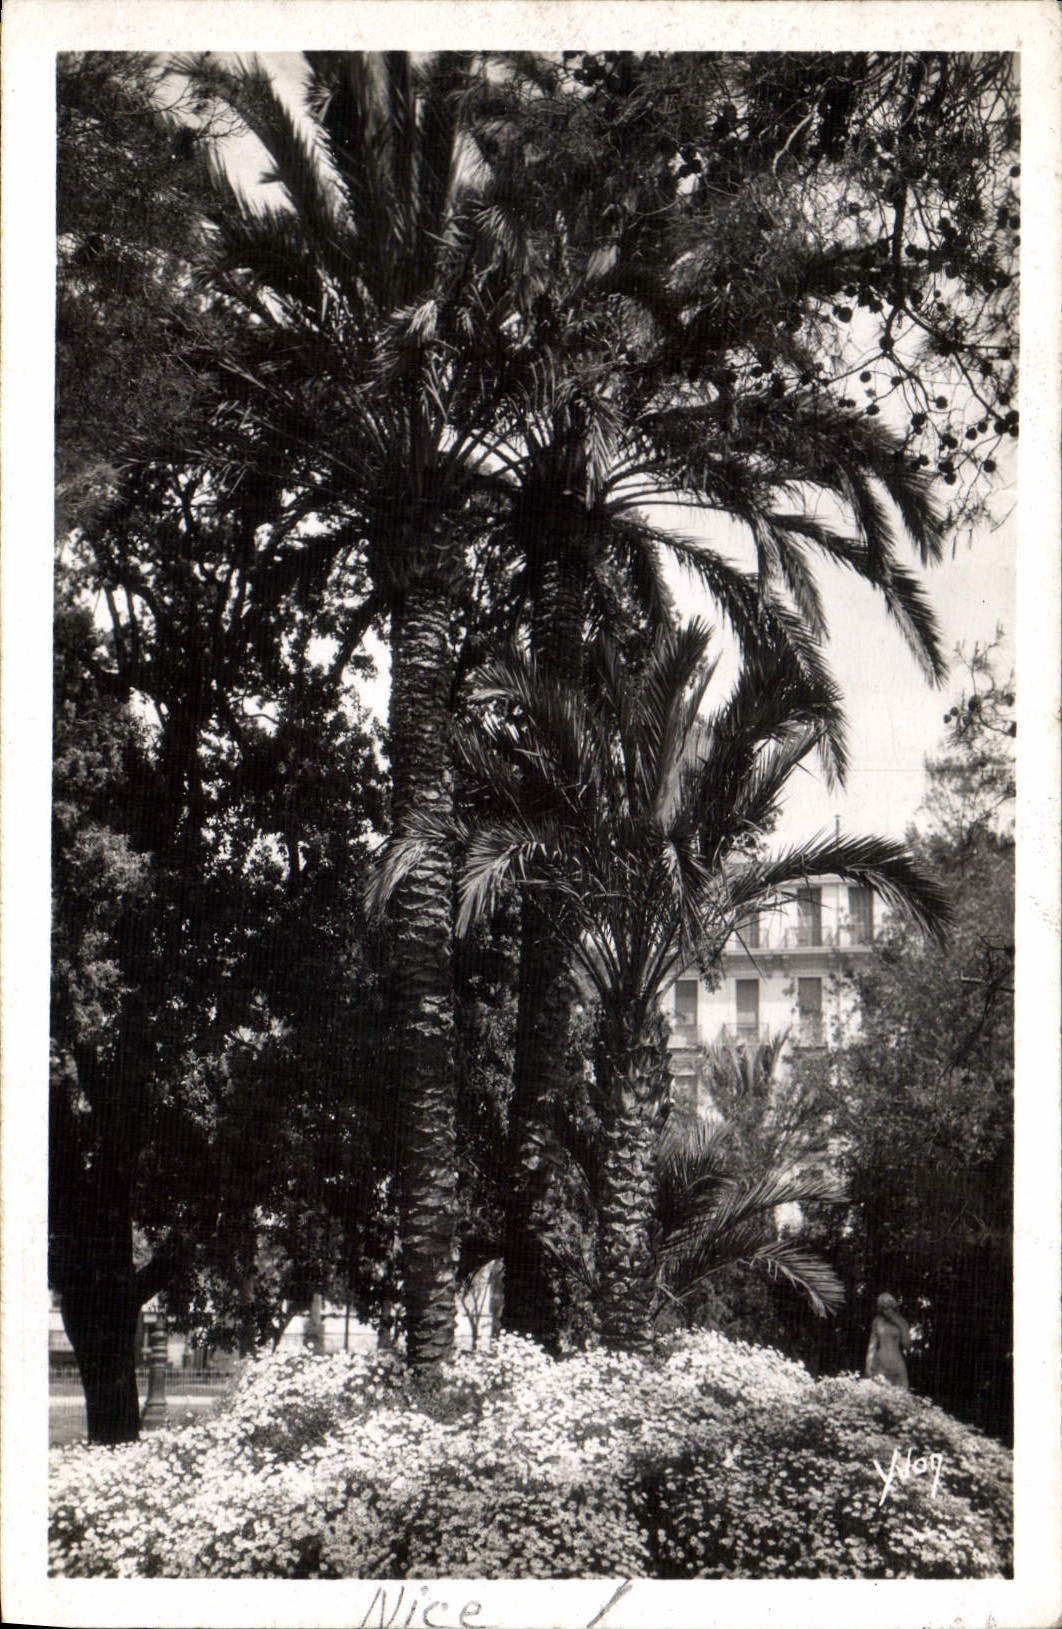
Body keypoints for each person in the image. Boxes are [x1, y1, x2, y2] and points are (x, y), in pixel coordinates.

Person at [865, 1292, 911, 1389]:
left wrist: (899, 1324)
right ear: (881, 1309)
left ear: (894, 1307)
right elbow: (872, 1345)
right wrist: (868, 1364)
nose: (887, 1311)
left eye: (889, 1307)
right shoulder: (877, 1321)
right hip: (881, 1363)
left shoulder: (902, 1321)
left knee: (901, 1396)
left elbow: (907, 1345)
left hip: (897, 1363)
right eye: (884, 1308)